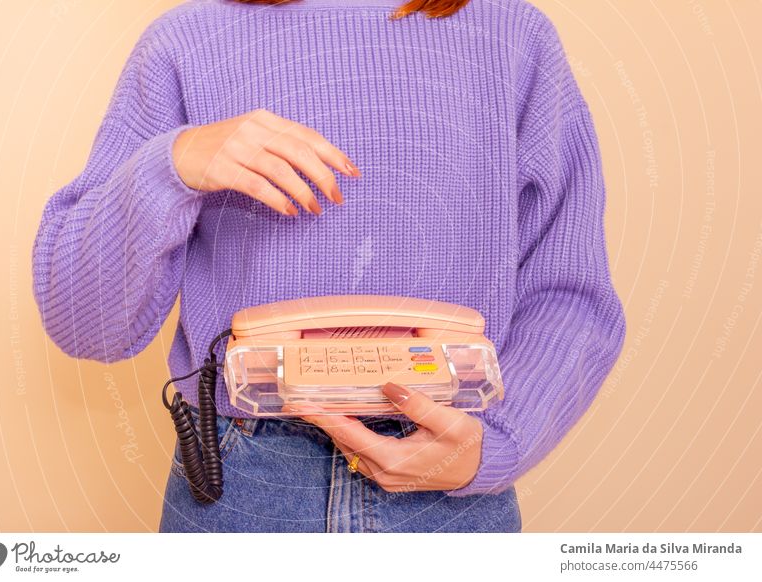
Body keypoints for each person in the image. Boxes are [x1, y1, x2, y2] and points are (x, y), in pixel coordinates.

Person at [32, 0, 626, 532]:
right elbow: (85, 325)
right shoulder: (184, 42)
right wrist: (174, 165)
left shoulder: (516, 38)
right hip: (242, 475)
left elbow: (570, 292)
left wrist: (496, 443)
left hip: (450, 483)